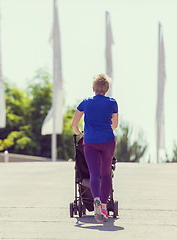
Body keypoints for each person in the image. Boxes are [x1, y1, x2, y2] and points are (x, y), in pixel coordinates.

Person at [71, 73, 118, 222]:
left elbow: (74, 124)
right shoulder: (112, 103)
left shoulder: (85, 103)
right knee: (105, 174)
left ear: (93, 88)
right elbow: (115, 125)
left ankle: (96, 198)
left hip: (90, 142)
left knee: (93, 173)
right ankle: (103, 206)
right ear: (107, 88)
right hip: (107, 141)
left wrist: (79, 133)